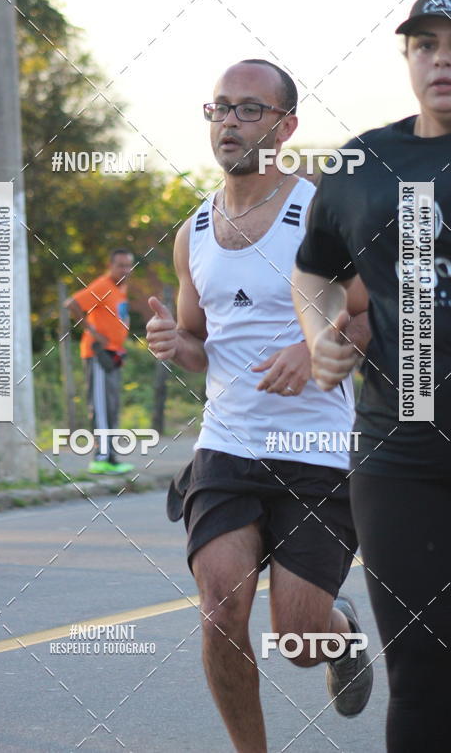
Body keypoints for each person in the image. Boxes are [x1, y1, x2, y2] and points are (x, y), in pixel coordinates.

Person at [292, 0, 451, 752]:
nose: (441, 61)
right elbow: (314, 269)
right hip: (406, 458)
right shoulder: (363, 164)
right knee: (423, 681)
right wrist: (319, 330)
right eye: (425, 45)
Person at [146, 59, 373, 753]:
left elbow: (371, 319)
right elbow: (200, 342)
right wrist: (170, 341)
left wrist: (315, 352)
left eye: (249, 110)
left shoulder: (322, 217)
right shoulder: (194, 232)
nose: (230, 123)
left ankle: (339, 629)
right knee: (220, 611)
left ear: (285, 125)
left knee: (299, 638)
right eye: (220, 109)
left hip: (314, 452)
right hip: (227, 448)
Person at [64, 249, 134, 475]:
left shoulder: (120, 289)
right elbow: (72, 303)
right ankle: (101, 458)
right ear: (110, 265)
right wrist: (92, 331)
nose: (125, 270)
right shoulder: (103, 285)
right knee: (102, 406)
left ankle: (111, 458)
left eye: (128, 265)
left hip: (113, 355)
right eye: (120, 265)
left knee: (112, 407)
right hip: (98, 355)